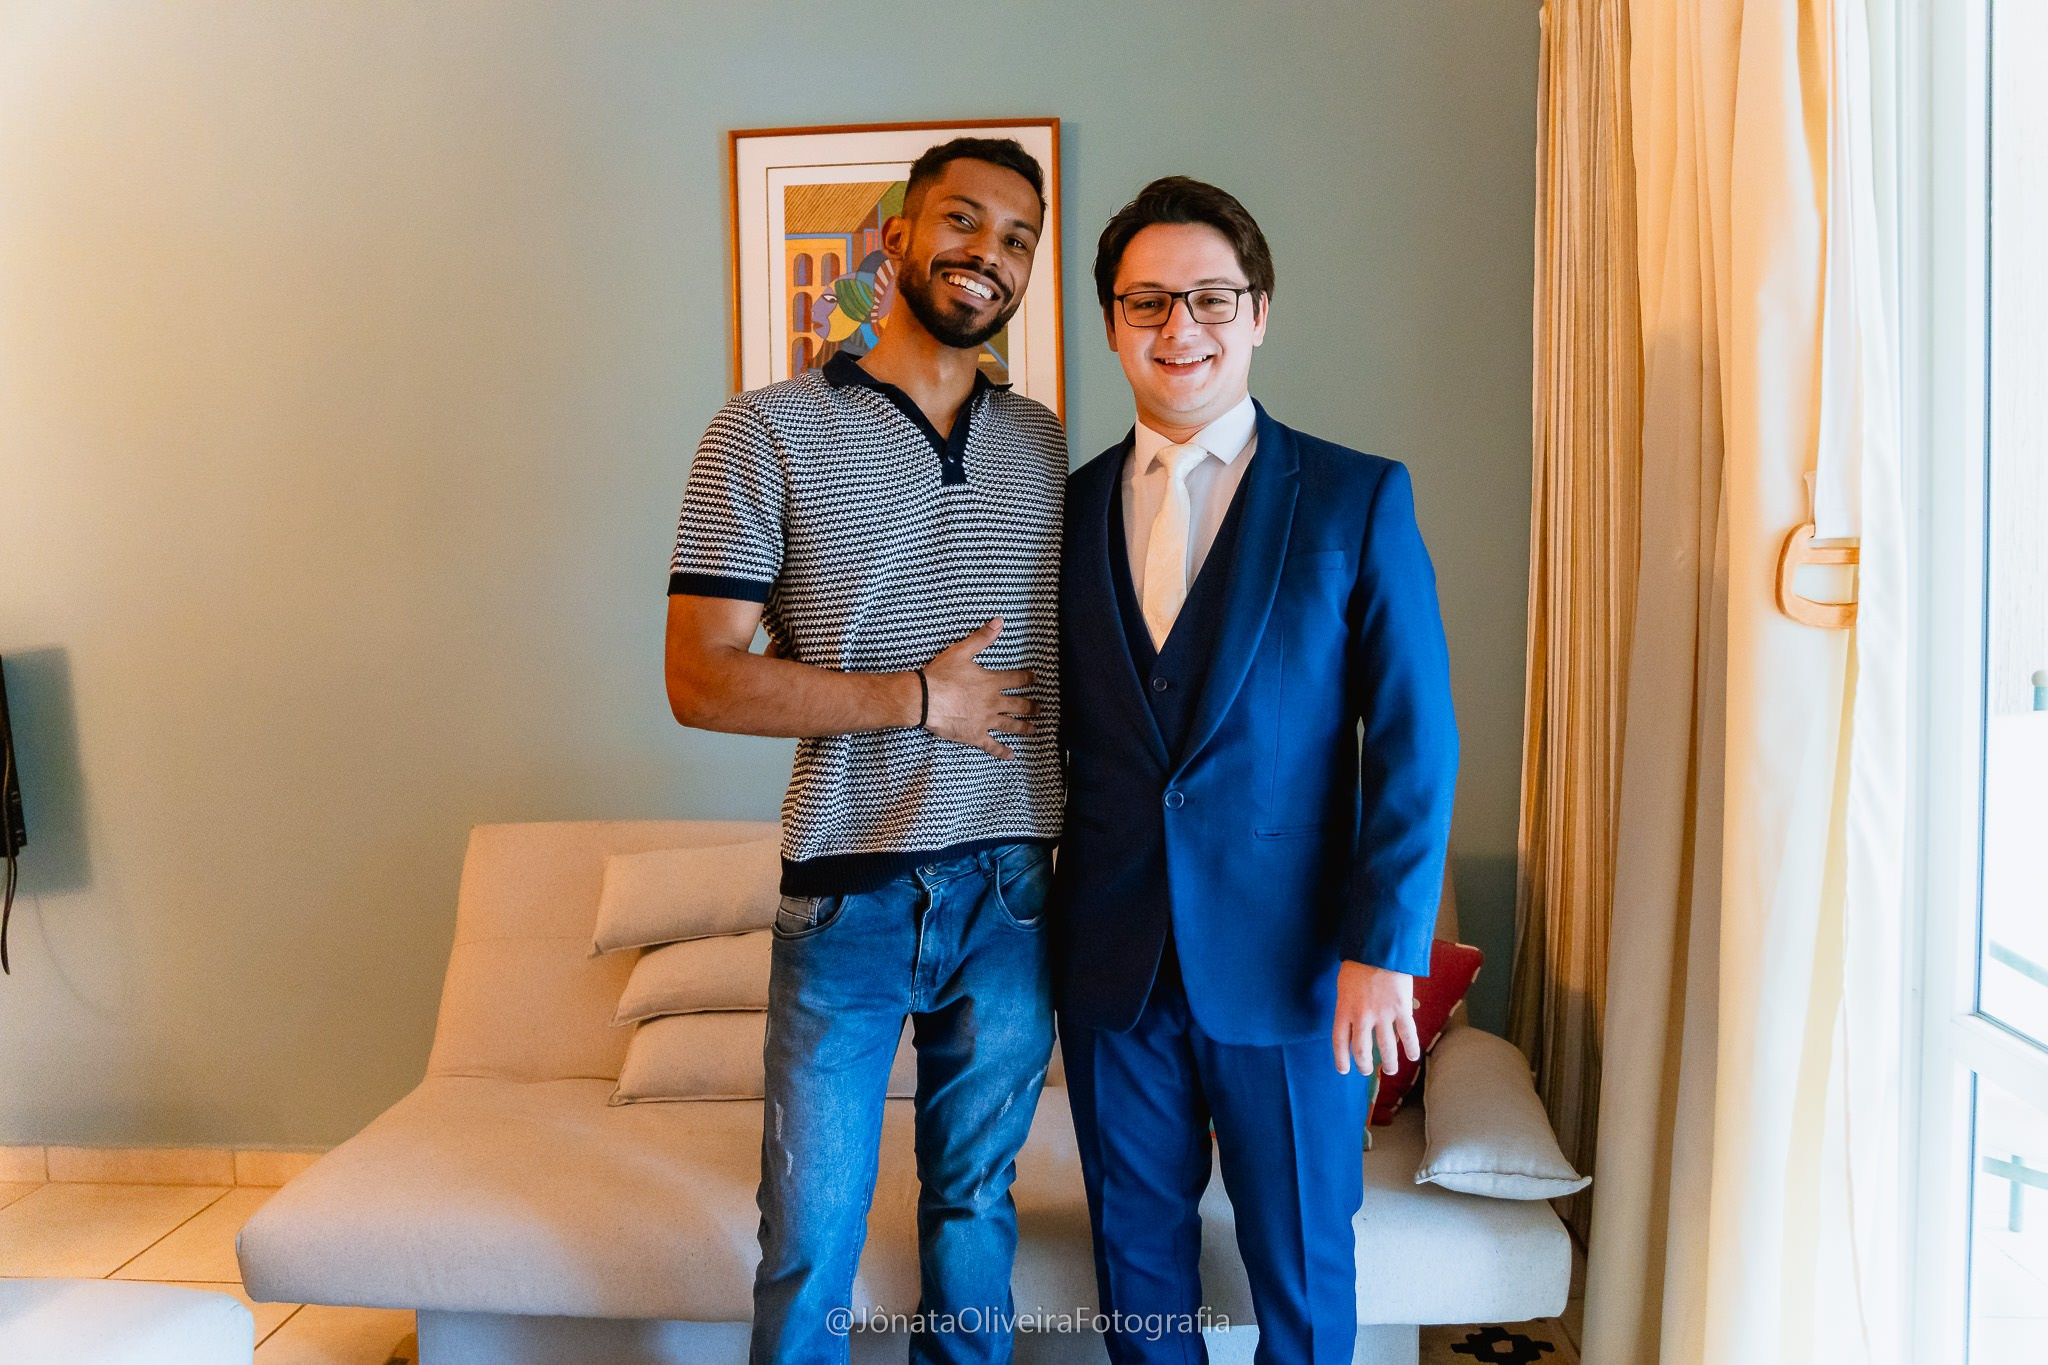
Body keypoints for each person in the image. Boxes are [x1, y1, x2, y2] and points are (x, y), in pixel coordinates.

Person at [663, 137, 1065, 1365]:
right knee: (811, 1231)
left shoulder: (1046, 444)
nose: (986, 256)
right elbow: (698, 681)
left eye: (1015, 241)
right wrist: (914, 701)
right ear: (894, 233)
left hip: (1016, 888)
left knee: (973, 1210)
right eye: (963, 222)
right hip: (847, 893)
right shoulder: (762, 432)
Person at [1054, 176, 1459, 1364]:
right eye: (1147, 303)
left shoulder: (1352, 496)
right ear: (1114, 323)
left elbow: (1413, 737)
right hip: (1112, 967)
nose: (1180, 327)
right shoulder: (1067, 511)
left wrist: (1384, 948)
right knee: (1135, 1267)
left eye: (1209, 298)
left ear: (1260, 311)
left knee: (1298, 1265)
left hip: (1298, 974)